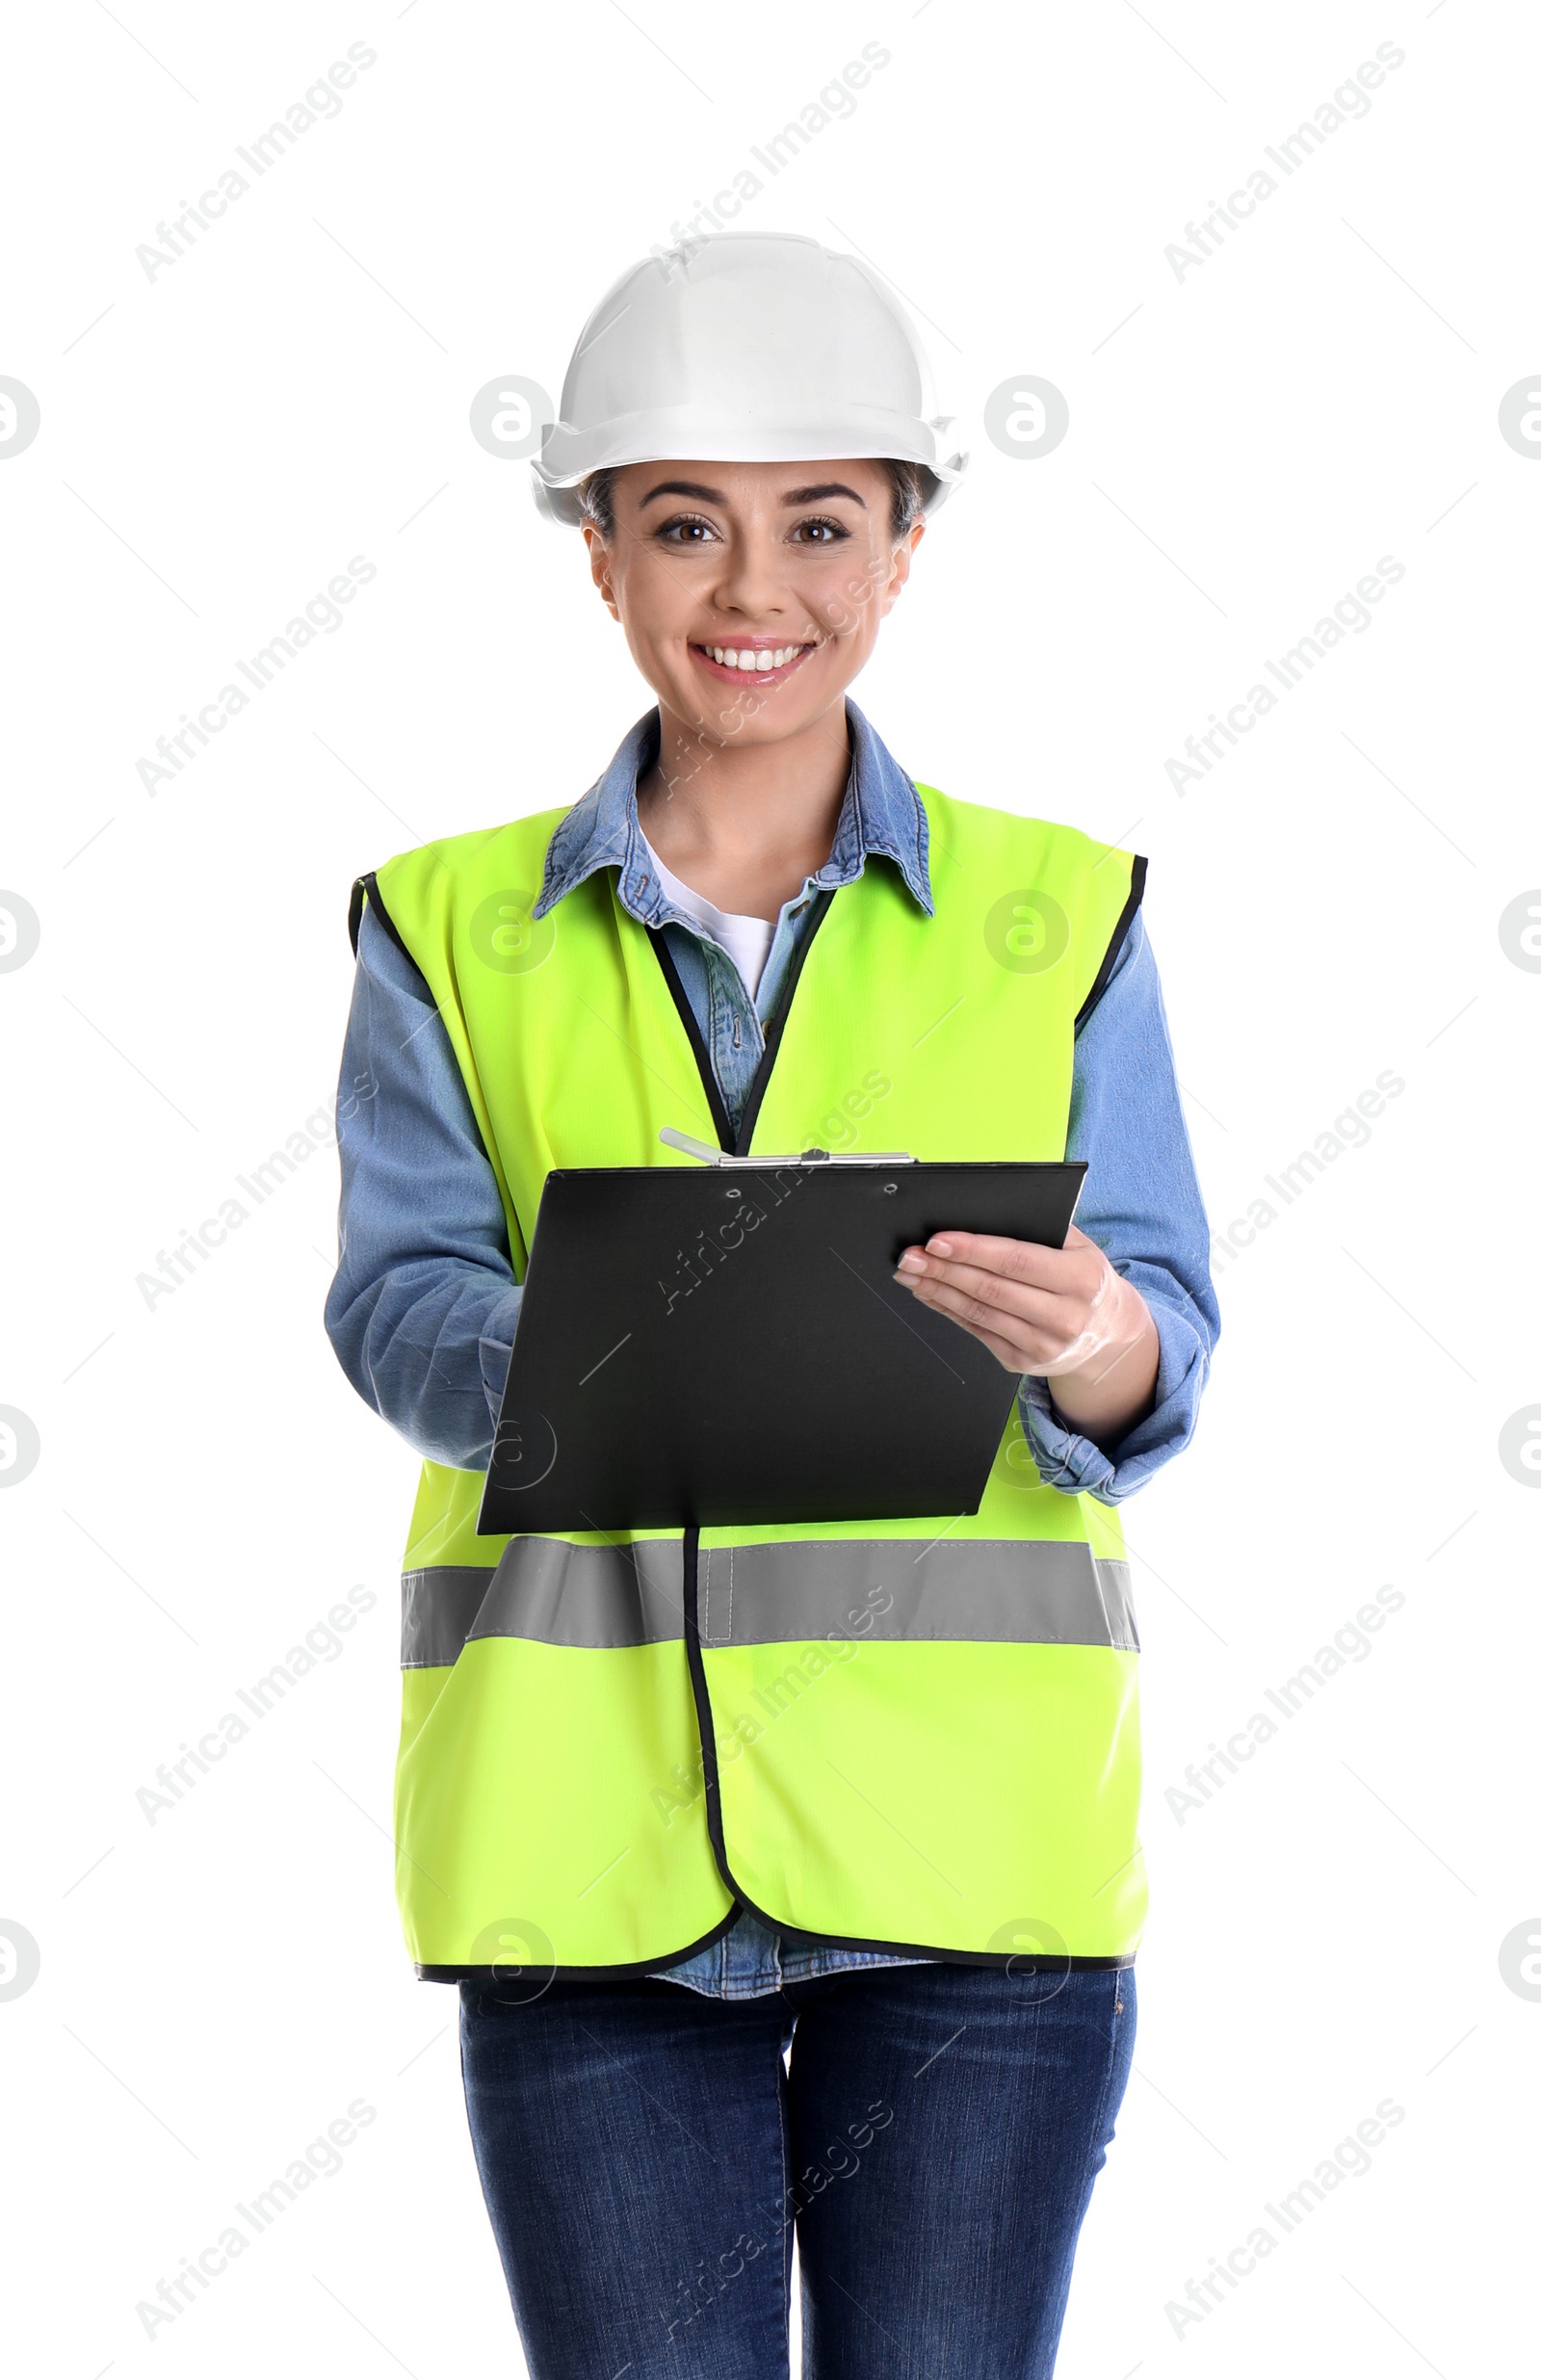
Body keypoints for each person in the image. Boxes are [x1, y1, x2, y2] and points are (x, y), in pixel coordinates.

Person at [325, 231, 1219, 2380]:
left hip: (970, 1879)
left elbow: (1157, 1334)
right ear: (600, 561)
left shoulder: (1054, 914)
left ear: (903, 548)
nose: (755, 586)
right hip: (582, 1861)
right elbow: (394, 1300)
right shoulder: (443, 926)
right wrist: (601, 1360)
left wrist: (1089, 1335)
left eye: (820, 521)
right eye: (683, 525)